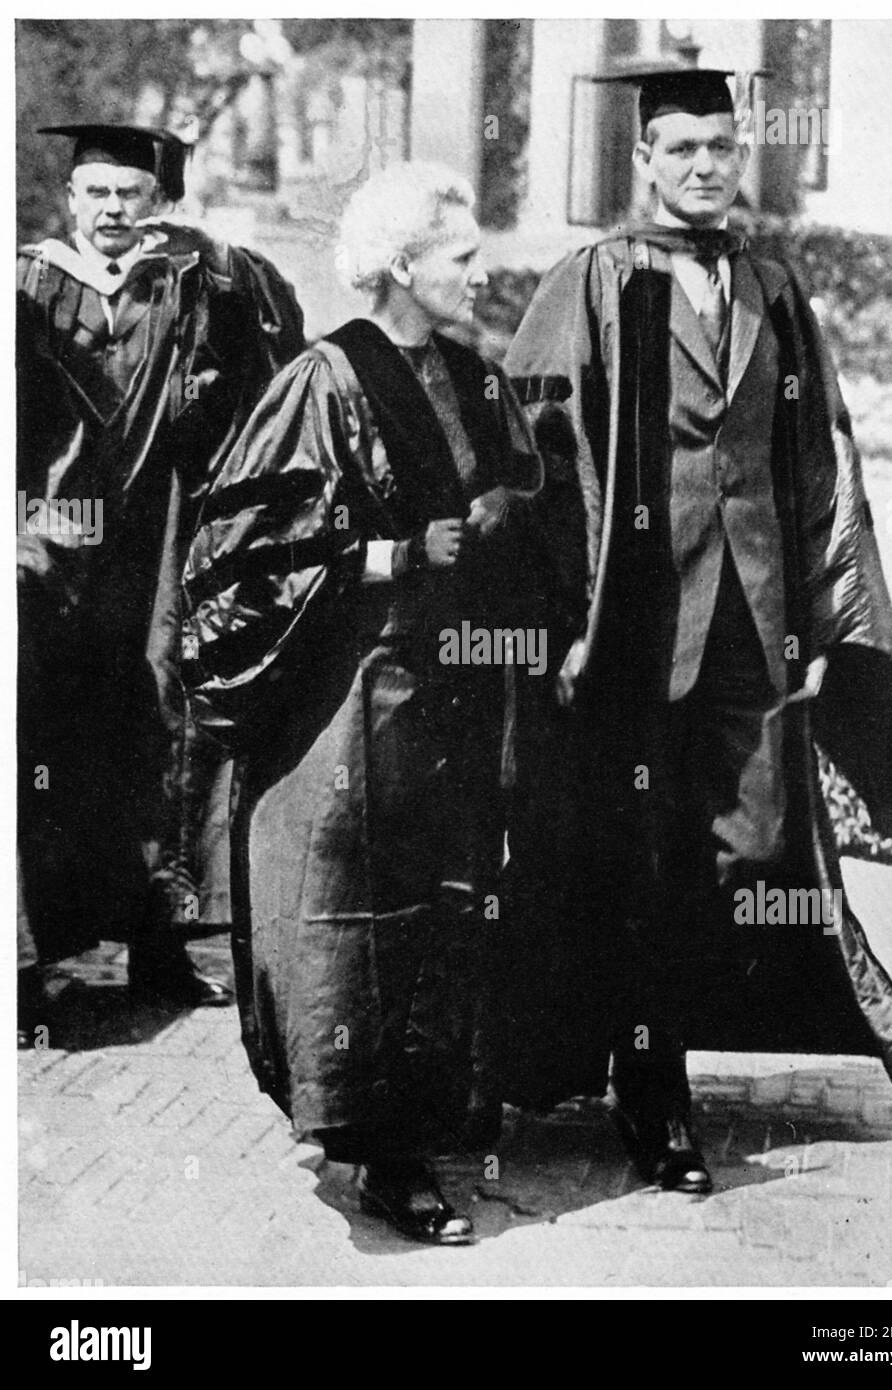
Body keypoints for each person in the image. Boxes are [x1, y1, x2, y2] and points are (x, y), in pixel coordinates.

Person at [503, 64, 892, 1193]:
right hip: (636, 624)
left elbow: (820, 456)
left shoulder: (773, 287)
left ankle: (659, 1053)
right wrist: (567, 623)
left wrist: (829, 619)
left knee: (747, 851)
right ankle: (656, 1095)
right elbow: (541, 465)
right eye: (682, 149)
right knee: (638, 853)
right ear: (644, 159)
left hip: (754, 625)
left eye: (721, 148)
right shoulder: (593, 280)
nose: (704, 166)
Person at [182, 162, 546, 1244]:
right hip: (358, 689)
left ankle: (430, 1125)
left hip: (457, 687)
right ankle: (383, 1152)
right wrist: (390, 552)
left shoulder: (476, 375)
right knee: (364, 919)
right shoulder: (325, 377)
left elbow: (525, 489)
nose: (479, 276)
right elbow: (240, 546)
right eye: (460, 258)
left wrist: (504, 517)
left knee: (447, 902)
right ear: (400, 264)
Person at [17, 122, 305, 1042]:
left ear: (156, 202)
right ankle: (33, 958)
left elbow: (255, 380)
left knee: (162, 734)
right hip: (51, 551)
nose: (110, 211)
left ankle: (160, 940)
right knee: (45, 737)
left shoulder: (191, 282)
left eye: (128, 195)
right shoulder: (26, 284)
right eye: (95, 194)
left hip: (159, 548)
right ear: (69, 199)